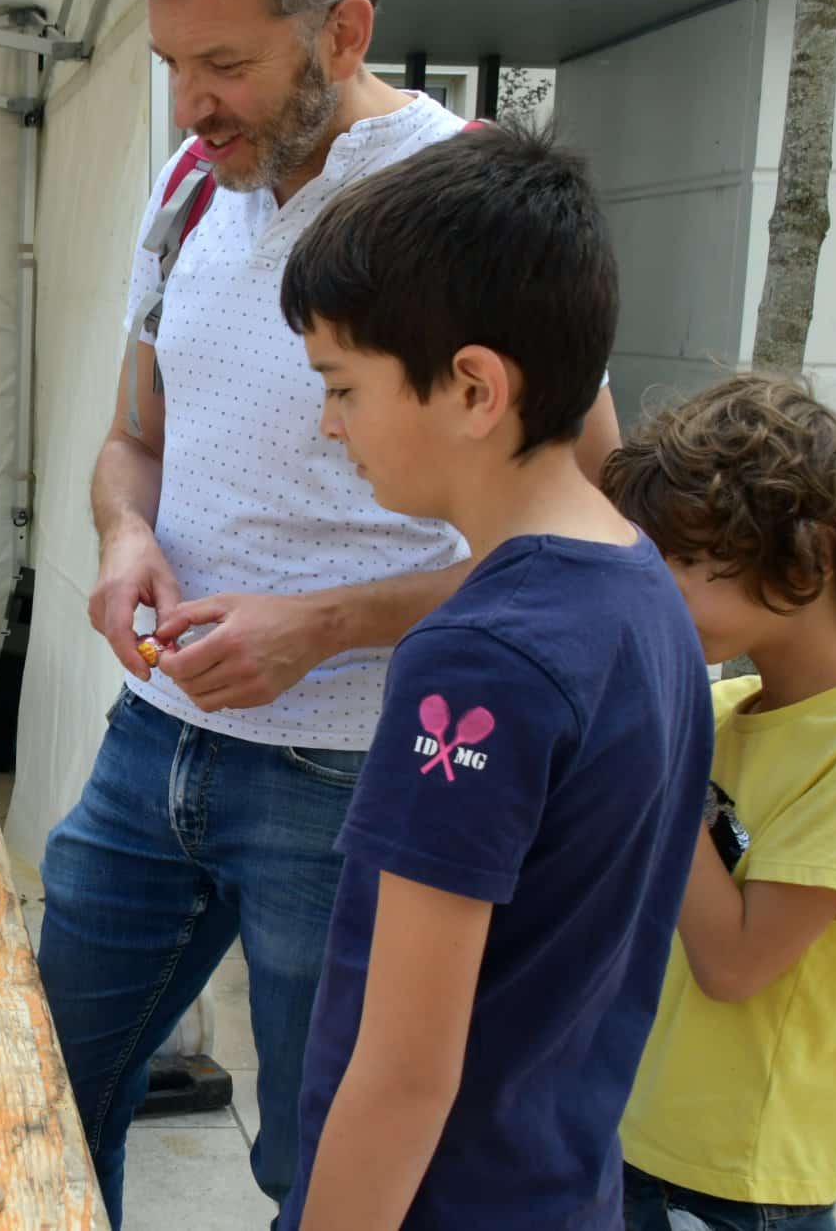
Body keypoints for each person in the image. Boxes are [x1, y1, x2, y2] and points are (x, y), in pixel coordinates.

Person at [37, 0, 624, 1223]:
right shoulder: (186, 188)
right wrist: (125, 542)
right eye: (171, 64)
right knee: (41, 1089)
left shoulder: (468, 200)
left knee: (326, 1162)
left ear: (344, 30)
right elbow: (131, 443)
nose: (191, 105)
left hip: (357, 768)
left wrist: (329, 623)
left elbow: (589, 532)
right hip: (155, 737)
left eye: (224, 64)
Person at [276, 123, 712, 1230]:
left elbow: (404, 1072)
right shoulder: (640, 585)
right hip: (562, 1187)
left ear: (473, 388)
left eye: (342, 386)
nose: (328, 425)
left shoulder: (477, 660)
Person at [604, 376, 836, 1231]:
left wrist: (660, 747)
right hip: (638, 1139)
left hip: (741, 1183)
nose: (660, 587)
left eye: (687, 559)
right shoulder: (721, 709)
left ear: (810, 557)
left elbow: (735, 964)